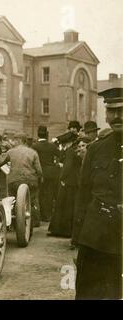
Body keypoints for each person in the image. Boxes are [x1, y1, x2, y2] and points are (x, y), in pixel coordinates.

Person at [74, 87, 123, 300]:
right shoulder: (95, 150)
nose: (116, 116)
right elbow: (83, 195)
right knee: (90, 291)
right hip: (97, 236)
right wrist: (78, 237)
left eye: (122, 110)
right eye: (111, 111)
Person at [5, 132, 43, 227]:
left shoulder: (10, 152)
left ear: (19, 141)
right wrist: (40, 178)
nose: (13, 142)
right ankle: (34, 222)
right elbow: (39, 170)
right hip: (30, 181)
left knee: (13, 200)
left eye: (14, 140)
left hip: (14, 181)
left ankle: (14, 224)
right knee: (33, 200)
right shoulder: (33, 152)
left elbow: (0, 162)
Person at [48, 132, 80, 238]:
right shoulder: (71, 151)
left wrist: (62, 178)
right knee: (66, 205)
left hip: (67, 181)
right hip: (70, 181)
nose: (63, 145)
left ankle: (62, 230)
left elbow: (68, 167)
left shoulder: (69, 152)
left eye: (65, 143)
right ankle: (63, 229)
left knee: (64, 205)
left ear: (68, 143)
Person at [32, 126, 60, 222]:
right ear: (47, 134)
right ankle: (47, 215)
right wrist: (56, 164)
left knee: (40, 194)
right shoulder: (52, 146)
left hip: (40, 173)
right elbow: (61, 155)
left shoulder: (34, 146)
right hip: (51, 173)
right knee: (50, 194)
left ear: (38, 134)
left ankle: (41, 215)